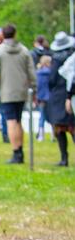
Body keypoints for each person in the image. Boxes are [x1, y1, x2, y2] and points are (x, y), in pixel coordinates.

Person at [0, 24, 36, 164]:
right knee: (18, 120)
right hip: (22, 91)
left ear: (3, 35)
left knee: (11, 121)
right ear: (15, 34)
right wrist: (33, 88)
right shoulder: (24, 50)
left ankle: (16, 152)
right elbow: (31, 72)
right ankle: (20, 150)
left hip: (7, 91)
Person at [46, 31, 75, 167]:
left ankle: (64, 158)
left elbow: (52, 79)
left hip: (59, 95)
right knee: (72, 126)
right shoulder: (72, 55)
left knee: (59, 128)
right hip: (71, 94)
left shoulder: (56, 59)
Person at [35, 54, 51, 142]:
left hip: (41, 97)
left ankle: (41, 135)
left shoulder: (38, 73)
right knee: (52, 116)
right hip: (51, 97)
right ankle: (53, 135)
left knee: (42, 116)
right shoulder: (51, 73)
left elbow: (38, 86)